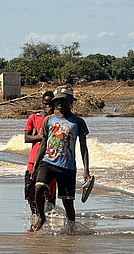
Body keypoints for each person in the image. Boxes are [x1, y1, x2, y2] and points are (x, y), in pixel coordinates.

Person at [31, 86, 90, 232]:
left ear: (71, 102)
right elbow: (43, 145)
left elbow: (83, 148)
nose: (60, 104)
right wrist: (35, 166)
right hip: (48, 162)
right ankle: (42, 217)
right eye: (57, 101)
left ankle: (71, 230)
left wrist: (86, 171)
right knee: (38, 187)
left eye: (64, 101)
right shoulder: (48, 120)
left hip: (67, 167)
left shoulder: (78, 122)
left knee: (68, 204)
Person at [24, 91, 56, 216]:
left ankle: (49, 216)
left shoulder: (57, 120)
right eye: (46, 104)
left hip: (51, 159)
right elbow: (27, 138)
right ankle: (34, 215)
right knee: (30, 189)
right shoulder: (34, 117)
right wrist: (42, 136)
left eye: (50, 105)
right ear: (42, 104)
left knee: (50, 192)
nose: (48, 107)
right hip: (33, 160)